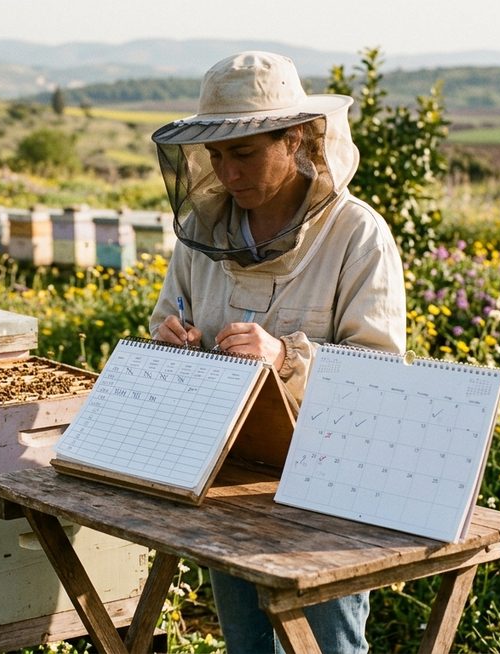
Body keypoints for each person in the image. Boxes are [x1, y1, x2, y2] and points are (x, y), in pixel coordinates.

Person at [147, 51, 407, 653]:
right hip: (226, 474)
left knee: (328, 647)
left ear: (295, 139)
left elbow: (381, 376)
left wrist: (286, 358)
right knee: (246, 645)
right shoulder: (203, 233)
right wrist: (171, 341)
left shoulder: (357, 235)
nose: (227, 172)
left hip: (328, 486)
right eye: (216, 156)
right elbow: (167, 316)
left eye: (243, 153)